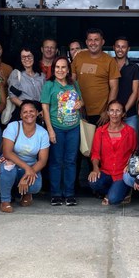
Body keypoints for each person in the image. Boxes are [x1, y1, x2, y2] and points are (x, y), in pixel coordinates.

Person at [41, 56, 84, 206]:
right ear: (53, 69)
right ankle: (56, 194)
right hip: (56, 128)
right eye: (57, 67)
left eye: (63, 67)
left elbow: (81, 101)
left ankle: (69, 194)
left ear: (68, 69)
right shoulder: (49, 85)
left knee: (71, 161)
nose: (60, 70)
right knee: (56, 162)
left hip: (73, 128)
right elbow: (45, 108)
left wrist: (79, 104)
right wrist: (50, 130)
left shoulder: (74, 84)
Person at [0, 100, 50, 212]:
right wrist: (27, 169)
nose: (28, 114)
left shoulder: (42, 133)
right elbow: (7, 152)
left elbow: (42, 160)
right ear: (21, 115)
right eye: (25, 112)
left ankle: (27, 194)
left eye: (31, 111)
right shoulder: (13, 127)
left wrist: (29, 171)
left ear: (37, 113)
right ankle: (5, 201)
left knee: (36, 186)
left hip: (31, 165)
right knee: (8, 168)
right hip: (12, 162)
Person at [88, 100, 137, 205]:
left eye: (118, 111)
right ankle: (114, 192)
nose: (114, 114)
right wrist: (95, 168)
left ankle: (122, 191)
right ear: (108, 113)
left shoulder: (130, 132)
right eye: (111, 110)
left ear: (123, 114)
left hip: (122, 174)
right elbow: (95, 153)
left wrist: (129, 166)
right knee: (93, 182)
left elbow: (134, 152)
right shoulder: (100, 131)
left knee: (114, 199)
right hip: (106, 172)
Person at [71, 28, 120, 126]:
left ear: (102, 42)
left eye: (96, 40)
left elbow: (114, 87)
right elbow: (71, 82)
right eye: (90, 40)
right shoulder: (79, 57)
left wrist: (108, 111)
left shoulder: (110, 61)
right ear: (86, 42)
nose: (93, 43)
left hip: (101, 114)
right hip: (79, 111)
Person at [7, 48, 46, 122]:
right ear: (20, 59)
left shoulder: (41, 76)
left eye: (29, 56)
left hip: (39, 111)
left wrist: (43, 110)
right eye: (23, 57)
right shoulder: (16, 74)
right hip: (23, 110)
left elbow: (45, 96)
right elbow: (12, 96)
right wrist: (27, 108)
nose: (27, 59)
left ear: (34, 57)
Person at [113, 36, 139, 129]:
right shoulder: (108, 64)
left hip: (129, 114)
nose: (120, 49)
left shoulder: (134, 67)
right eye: (118, 46)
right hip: (110, 113)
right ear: (114, 47)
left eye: (123, 47)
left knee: (131, 137)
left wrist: (124, 110)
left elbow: (135, 91)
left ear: (128, 49)